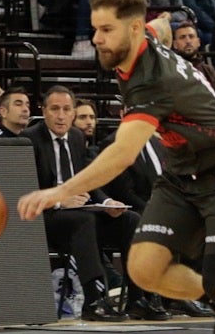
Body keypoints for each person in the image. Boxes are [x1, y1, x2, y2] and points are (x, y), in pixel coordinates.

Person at [18, 0, 215, 334]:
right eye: (95, 28)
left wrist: (57, 192)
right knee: (145, 269)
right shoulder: (144, 36)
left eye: (105, 30)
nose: (96, 38)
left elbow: (121, 154)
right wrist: (162, 21)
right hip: (184, 171)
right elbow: (163, 25)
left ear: (132, 29)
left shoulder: (152, 80)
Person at [21, 85, 137, 321]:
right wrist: (58, 201)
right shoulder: (29, 139)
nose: (61, 115)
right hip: (46, 217)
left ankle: (139, 297)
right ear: (43, 111)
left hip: (80, 213)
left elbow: (89, 179)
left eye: (66, 109)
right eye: (54, 109)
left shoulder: (76, 137)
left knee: (129, 220)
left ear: (73, 112)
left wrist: (106, 201)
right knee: (83, 220)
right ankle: (94, 299)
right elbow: (25, 188)